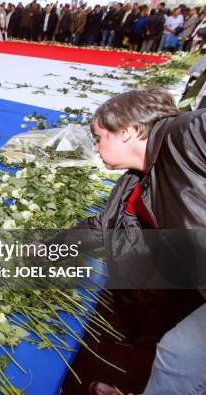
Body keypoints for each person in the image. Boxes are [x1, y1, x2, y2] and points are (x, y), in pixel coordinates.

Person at [83, 89, 206, 395]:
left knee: (180, 353)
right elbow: (103, 228)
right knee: (180, 353)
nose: (96, 148)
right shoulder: (135, 180)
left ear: (128, 132)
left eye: (99, 137)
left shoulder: (185, 135)